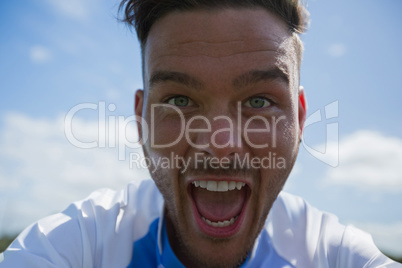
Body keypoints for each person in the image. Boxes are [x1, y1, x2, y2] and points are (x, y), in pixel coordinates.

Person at [1, 0, 400, 267]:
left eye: (259, 102)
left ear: (297, 120)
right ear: (141, 120)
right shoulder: (79, 247)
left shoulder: (333, 256)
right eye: (178, 100)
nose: (221, 145)